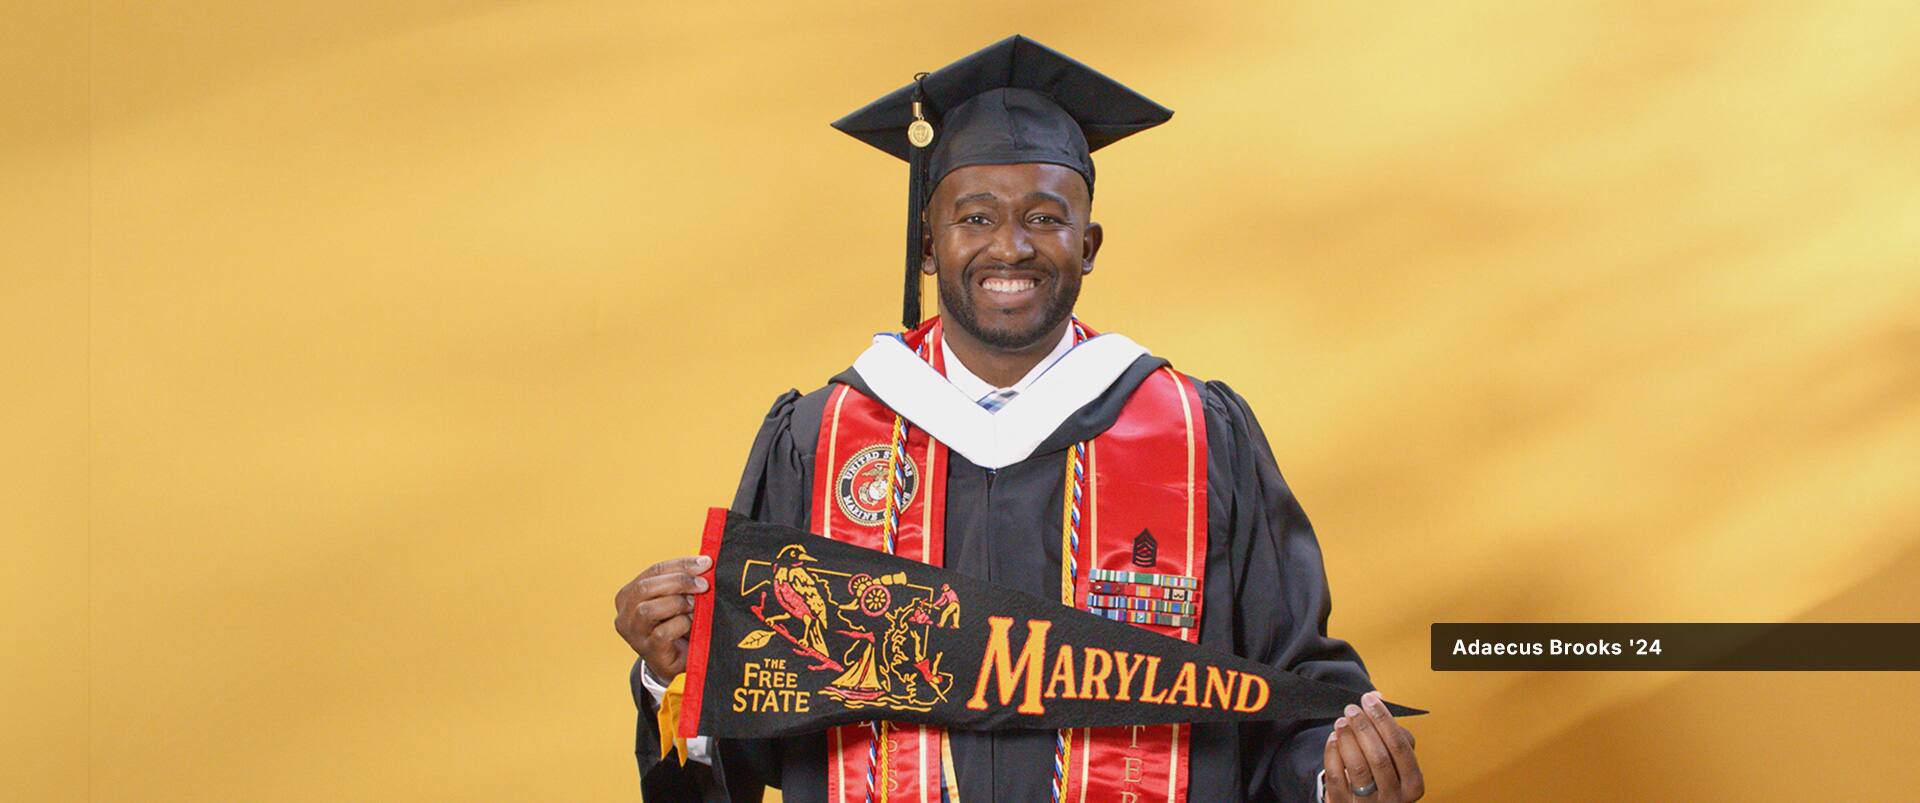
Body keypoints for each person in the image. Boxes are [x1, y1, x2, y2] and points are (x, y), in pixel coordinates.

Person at [613, 35, 1424, 803]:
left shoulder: (1195, 433)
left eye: (1044, 217)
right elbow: (748, 726)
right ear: (927, 244)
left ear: (1089, 242)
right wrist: (672, 670)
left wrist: (1338, 770)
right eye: (974, 217)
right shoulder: (820, 440)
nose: (1011, 246)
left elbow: (1288, 694)